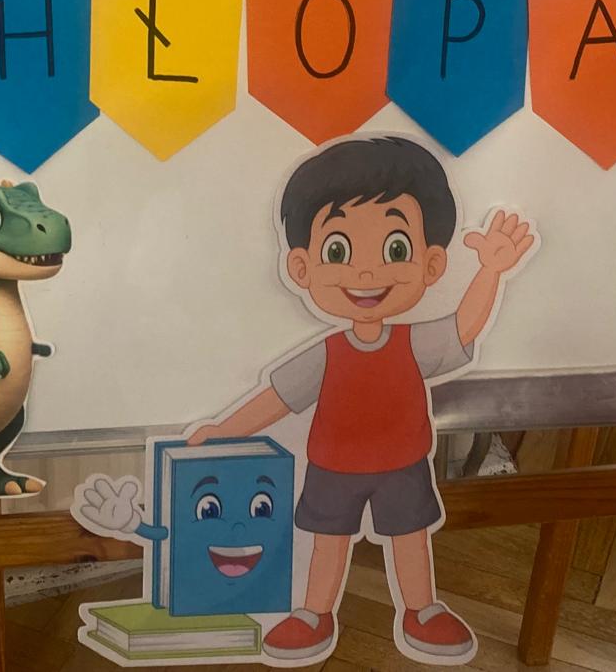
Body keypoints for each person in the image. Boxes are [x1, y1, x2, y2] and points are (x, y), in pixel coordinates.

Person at [188, 136, 537, 663]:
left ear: (432, 264)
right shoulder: (325, 353)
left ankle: (421, 609)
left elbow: (463, 328)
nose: (367, 273)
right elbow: (277, 397)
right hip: (333, 468)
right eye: (338, 251)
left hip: (403, 464)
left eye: (395, 248)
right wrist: (224, 430)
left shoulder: (413, 342)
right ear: (302, 267)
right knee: (329, 541)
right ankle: (314, 613)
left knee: (410, 536)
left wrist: (491, 271)